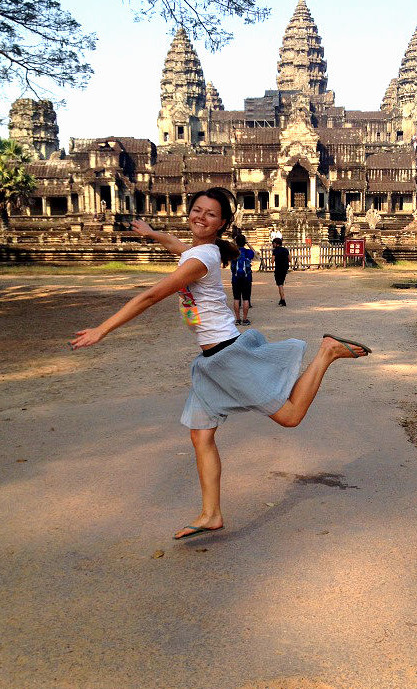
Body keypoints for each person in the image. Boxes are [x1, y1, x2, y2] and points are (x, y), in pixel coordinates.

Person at [69, 187, 371, 541]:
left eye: (210, 214)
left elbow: (152, 295)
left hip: (227, 357)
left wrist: (103, 330)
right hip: (209, 363)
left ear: (222, 223)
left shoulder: (204, 259)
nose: (200, 217)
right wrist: (152, 234)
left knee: (289, 417)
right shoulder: (197, 252)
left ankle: (327, 352)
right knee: (200, 435)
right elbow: (175, 246)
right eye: (196, 210)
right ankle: (211, 514)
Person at [230, 233, 257, 326]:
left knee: (236, 298)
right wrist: (248, 243)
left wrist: (234, 242)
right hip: (246, 277)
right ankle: (245, 319)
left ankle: (237, 319)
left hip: (235, 278)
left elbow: (228, 249)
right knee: (246, 298)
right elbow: (255, 253)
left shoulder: (233, 252)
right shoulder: (248, 252)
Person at [272, 237, 290, 306]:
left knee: (280, 285)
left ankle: (283, 299)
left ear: (277, 244)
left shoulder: (275, 251)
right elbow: (290, 259)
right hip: (285, 268)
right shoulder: (285, 250)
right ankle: (281, 298)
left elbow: (272, 261)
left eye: (273, 243)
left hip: (278, 268)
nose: (273, 245)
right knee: (281, 283)